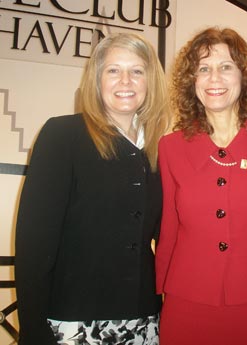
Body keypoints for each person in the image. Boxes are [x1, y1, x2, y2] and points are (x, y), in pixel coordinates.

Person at [14, 32, 170, 345]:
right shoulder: (62, 135)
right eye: (113, 70)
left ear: (150, 81)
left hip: (143, 320)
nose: (125, 80)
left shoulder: (159, 149)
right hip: (73, 323)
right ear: (96, 80)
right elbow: (34, 244)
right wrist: (32, 328)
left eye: (137, 71)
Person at [155, 27, 247, 345]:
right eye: (203, 68)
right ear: (192, 80)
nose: (213, 78)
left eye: (225, 67)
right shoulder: (170, 147)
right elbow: (169, 228)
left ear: (244, 76)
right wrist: (161, 286)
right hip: (187, 301)